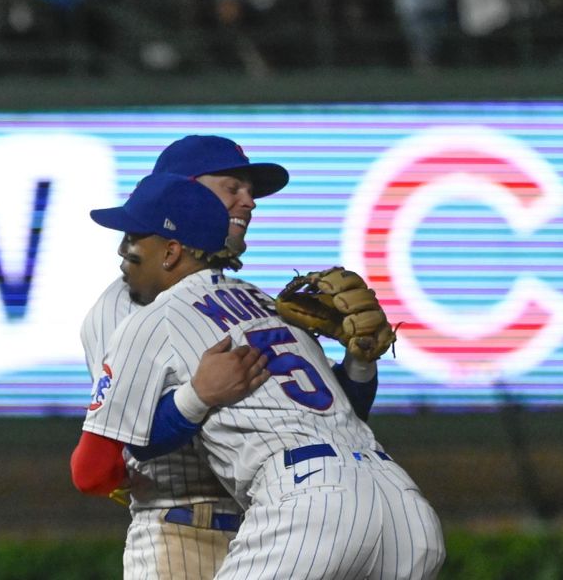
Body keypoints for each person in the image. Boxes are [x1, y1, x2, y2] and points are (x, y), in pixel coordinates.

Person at [80, 172, 445, 579]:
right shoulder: (269, 305)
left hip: (304, 505)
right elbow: (340, 412)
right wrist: (358, 366)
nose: (124, 250)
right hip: (400, 502)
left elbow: (104, 460)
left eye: (133, 239)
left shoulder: (154, 317)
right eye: (232, 189)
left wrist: (198, 396)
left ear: (170, 251)